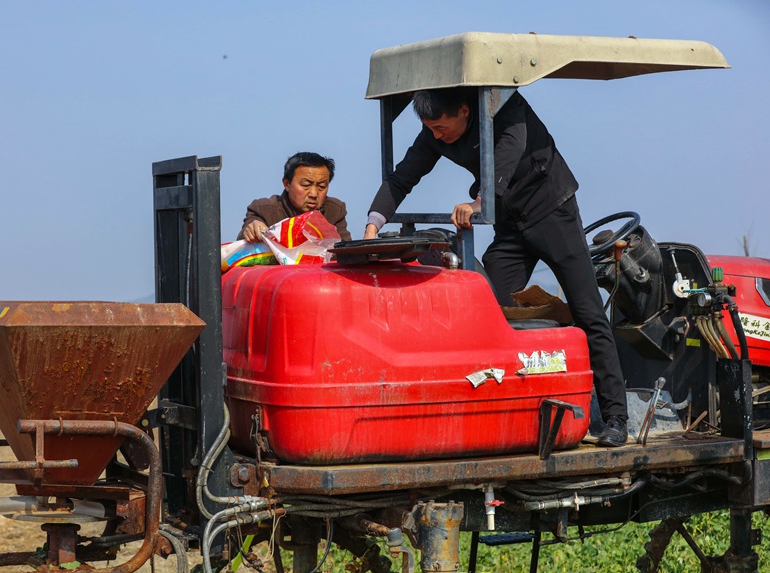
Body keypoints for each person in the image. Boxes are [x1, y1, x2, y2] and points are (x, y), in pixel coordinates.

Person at [364, 88, 629, 447]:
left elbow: (505, 155)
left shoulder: (507, 110)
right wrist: (372, 228)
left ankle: (615, 417)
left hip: (551, 210)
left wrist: (477, 203)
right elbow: (401, 179)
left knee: (588, 311)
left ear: (464, 110)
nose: (437, 135)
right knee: (490, 311)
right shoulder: (435, 133)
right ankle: (509, 412)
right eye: (430, 129)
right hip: (508, 221)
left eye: (441, 126)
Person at [238, 151, 351, 242]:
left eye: (321, 186)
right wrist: (253, 228)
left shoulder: (335, 211)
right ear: (287, 184)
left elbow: (346, 253)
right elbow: (244, 239)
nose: (314, 194)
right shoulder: (263, 210)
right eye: (306, 185)